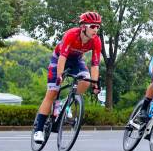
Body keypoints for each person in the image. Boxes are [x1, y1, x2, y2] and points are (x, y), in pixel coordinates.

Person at [32, 12, 102, 143]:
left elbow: (95, 64)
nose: (95, 30)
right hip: (59, 58)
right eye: (92, 26)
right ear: (83, 27)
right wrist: (59, 76)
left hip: (76, 60)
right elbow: (63, 57)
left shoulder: (96, 41)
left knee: (86, 80)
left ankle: (66, 103)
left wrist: (95, 83)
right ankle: (39, 130)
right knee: (52, 92)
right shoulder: (71, 34)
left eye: (98, 27)